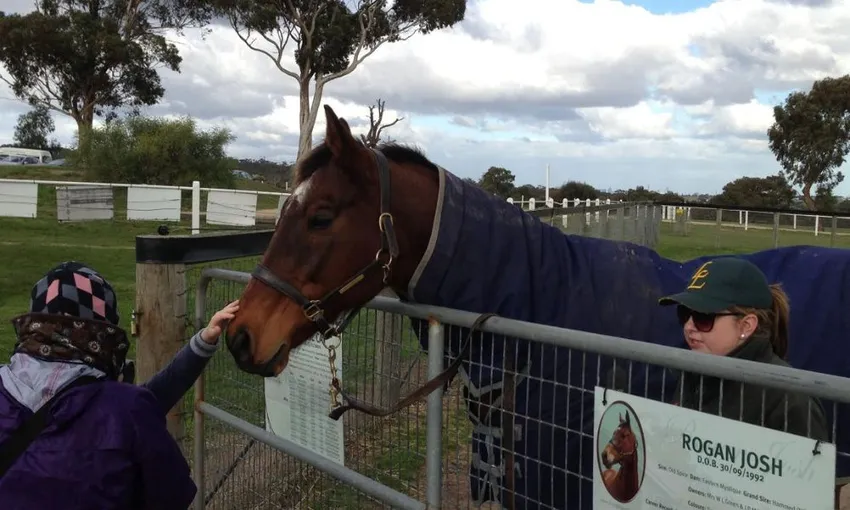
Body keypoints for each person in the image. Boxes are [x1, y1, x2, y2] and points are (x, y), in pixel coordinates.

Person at [0, 261, 239, 509]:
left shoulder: (124, 408)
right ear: (104, 330)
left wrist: (202, 343)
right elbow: (172, 493)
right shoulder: (126, 409)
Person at [658, 256, 829, 441]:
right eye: (684, 314)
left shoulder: (790, 400)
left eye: (703, 317)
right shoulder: (693, 373)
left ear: (746, 326)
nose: (689, 326)